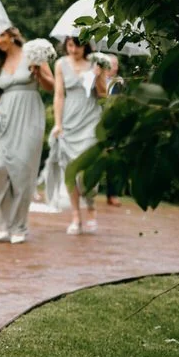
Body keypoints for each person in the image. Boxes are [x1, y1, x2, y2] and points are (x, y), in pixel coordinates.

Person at [0, 27, 54, 243]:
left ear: (12, 35)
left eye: (0, 36)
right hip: (5, 117)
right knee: (0, 168)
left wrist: (38, 72)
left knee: (24, 171)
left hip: (29, 114)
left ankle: (19, 226)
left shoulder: (33, 53)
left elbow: (52, 87)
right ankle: (4, 222)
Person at [45, 37, 108, 234]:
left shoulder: (96, 62)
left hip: (90, 119)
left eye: (77, 45)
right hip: (69, 121)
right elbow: (59, 95)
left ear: (85, 45)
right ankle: (75, 215)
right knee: (70, 169)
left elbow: (104, 94)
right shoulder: (60, 64)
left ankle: (90, 207)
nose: (73, 49)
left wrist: (98, 76)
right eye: (70, 45)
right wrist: (58, 123)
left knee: (87, 169)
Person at [102, 54, 125, 206]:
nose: (114, 67)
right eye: (111, 64)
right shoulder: (96, 79)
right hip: (95, 122)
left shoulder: (120, 83)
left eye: (116, 64)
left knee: (112, 160)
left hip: (113, 126)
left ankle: (112, 194)